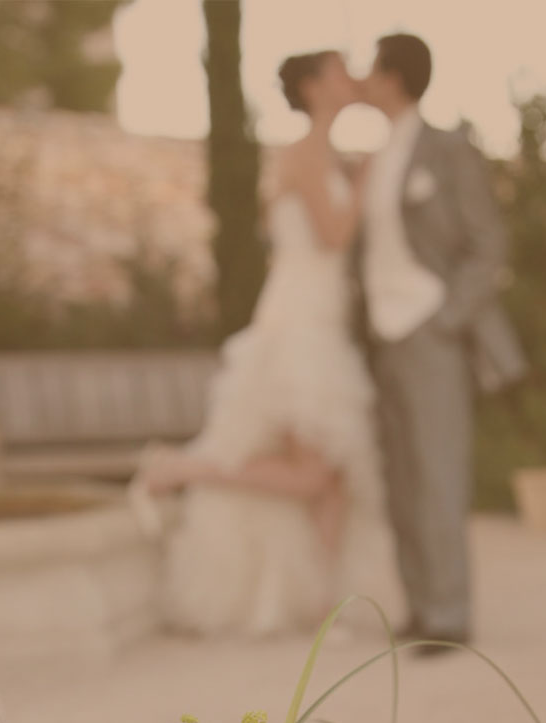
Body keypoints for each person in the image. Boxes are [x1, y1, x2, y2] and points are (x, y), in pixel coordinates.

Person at [133, 50, 384, 636]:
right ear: (312, 87)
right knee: (314, 472)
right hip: (298, 321)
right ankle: (181, 467)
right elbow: (332, 235)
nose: (351, 80)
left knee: (336, 476)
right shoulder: (305, 151)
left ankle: (324, 608)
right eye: (339, 72)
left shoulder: (326, 155)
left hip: (320, 316)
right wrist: (366, 182)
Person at [357, 33, 527, 654]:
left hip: (430, 331)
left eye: (370, 68)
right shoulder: (377, 155)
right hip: (383, 336)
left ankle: (451, 617)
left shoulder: (447, 148)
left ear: (394, 77)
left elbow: (488, 248)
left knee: (438, 475)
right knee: (402, 478)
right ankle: (422, 607)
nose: (362, 78)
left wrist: (447, 319)